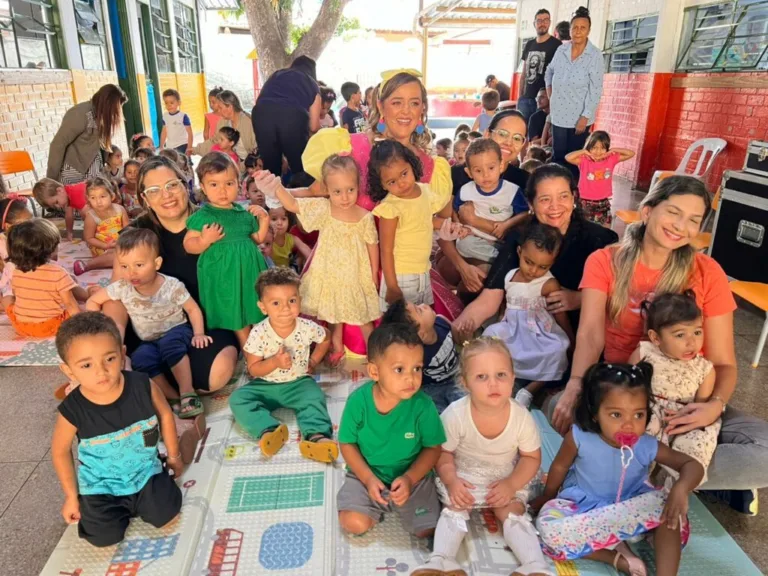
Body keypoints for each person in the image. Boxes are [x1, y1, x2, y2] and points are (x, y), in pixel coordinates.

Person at [550, 175, 768, 514]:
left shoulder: (707, 272)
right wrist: (575, 385)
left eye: (694, 220)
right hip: (627, 396)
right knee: (559, 414)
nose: (681, 227)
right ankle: (687, 473)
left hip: (689, 397)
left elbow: (724, 362)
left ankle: (661, 471)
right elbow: (591, 335)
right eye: (674, 213)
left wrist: (714, 406)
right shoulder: (605, 261)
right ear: (648, 210)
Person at [533, 363, 704, 576]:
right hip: (585, 511)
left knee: (669, 510)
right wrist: (547, 496)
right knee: (547, 528)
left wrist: (681, 488)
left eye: (638, 415)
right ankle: (618, 558)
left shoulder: (646, 444)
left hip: (631, 510)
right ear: (595, 413)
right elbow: (560, 466)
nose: (629, 425)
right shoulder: (579, 438)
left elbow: (692, 465)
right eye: (616, 415)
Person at [413, 337, 551, 576]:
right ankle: (442, 560)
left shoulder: (521, 417)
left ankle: (534, 565)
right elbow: (443, 454)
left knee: (511, 513)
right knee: (455, 506)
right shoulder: (456, 415)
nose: (493, 384)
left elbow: (530, 458)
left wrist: (511, 484)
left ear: (512, 378)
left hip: (506, 476)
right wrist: (452, 481)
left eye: (501, 375)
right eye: (481, 377)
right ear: (465, 383)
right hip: (465, 474)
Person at [50, 313, 183, 547]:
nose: (101, 371)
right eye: (86, 365)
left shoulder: (143, 385)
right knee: (103, 538)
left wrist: (173, 456)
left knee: (167, 513)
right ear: (69, 371)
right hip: (101, 486)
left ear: (122, 355)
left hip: (145, 473)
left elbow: (165, 415)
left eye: (109, 359)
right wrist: (72, 496)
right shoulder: (72, 410)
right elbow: (60, 451)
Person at [453, 164, 617, 344]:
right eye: (545, 199)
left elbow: (623, 294)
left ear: (574, 197)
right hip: (528, 334)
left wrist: (581, 299)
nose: (555, 207)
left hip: (585, 330)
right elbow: (490, 298)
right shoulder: (520, 238)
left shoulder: (599, 240)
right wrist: (458, 329)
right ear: (531, 203)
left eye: (563, 196)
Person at [115, 156, 239, 394]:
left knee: (215, 375)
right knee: (129, 365)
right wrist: (115, 341)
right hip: (149, 327)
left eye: (172, 185)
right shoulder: (136, 234)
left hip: (206, 323)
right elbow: (116, 294)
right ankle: (165, 390)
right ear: (145, 199)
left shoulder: (213, 223)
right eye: (154, 190)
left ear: (186, 184)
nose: (167, 195)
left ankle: (164, 390)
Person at [254, 154, 380, 363]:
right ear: (327, 190)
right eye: (337, 191)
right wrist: (276, 188)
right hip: (329, 272)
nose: (345, 197)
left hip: (355, 275)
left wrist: (374, 273)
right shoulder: (324, 208)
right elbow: (294, 205)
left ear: (358, 185)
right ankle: (337, 346)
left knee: (362, 317)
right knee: (333, 314)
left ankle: (375, 355)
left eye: (350, 189)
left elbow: (372, 244)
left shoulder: (364, 216)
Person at [87, 228, 212, 419]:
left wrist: (198, 333)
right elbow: (93, 301)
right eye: (124, 266)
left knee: (171, 346)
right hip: (149, 339)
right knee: (140, 359)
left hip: (176, 329)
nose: (131, 273)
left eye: (138, 265)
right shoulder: (122, 287)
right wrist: (96, 328)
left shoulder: (171, 286)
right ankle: (171, 398)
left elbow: (192, 309)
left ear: (157, 263)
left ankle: (187, 392)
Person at [337, 323, 446, 537]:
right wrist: (367, 478)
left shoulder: (423, 405)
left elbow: (433, 448)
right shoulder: (358, 402)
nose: (411, 378)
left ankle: (405, 500)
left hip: (413, 476)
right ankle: (374, 501)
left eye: (417, 368)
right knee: (353, 523)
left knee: (428, 529)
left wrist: (410, 478)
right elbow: (347, 443)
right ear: (374, 371)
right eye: (399, 369)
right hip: (366, 473)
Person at [229, 267, 336, 461]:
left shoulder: (307, 327)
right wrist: (274, 362)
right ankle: (268, 430)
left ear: (299, 301)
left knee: (314, 398)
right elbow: (254, 369)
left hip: (299, 383)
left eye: (292, 301)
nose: (285, 308)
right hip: (265, 385)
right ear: (263, 307)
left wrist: (313, 360)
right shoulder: (258, 333)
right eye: (276, 303)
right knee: (238, 399)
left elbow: (326, 338)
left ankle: (317, 437)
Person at [630, 292, 719, 486]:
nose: (691, 342)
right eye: (680, 335)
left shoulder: (704, 369)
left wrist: (683, 422)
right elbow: (629, 388)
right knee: (636, 433)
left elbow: (700, 408)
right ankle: (633, 478)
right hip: (648, 408)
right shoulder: (644, 353)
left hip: (682, 417)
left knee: (696, 442)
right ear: (655, 337)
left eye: (697, 332)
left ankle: (678, 484)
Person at [438, 110, 531, 294]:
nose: (509, 142)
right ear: (487, 133)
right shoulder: (457, 176)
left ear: (523, 145)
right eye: (503, 134)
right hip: (459, 249)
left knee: (481, 280)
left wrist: (473, 220)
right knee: (453, 270)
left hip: (498, 253)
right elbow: (442, 228)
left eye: (517, 138)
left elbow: (519, 235)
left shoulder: (523, 182)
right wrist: (463, 267)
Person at [183, 152, 270, 347]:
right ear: (203, 187)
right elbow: (188, 244)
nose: (222, 191)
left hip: (249, 271)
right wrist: (204, 240)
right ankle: (249, 353)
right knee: (233, 311)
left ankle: (259, 347)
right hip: (223, 274)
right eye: (214, 184)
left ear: (238, 184)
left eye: (228, 184)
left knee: (253, 306)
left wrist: (264, 219)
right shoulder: (204, 215)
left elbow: (257, 238)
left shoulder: (243, 212)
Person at [483, 222, 572, 409]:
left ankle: (530, 389)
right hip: (513, 327)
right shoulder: (509, 276)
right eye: (529, 262)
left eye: (542, 266)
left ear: (552, 263)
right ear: (519, 252)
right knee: (491, 337)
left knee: (557, 349)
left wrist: (571, 339)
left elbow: (559, 313)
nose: (533, 271)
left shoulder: (549, 284)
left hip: (538, 332)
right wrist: (502, 320)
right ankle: (503, 377)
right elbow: (507, 303)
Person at [369, 140, 450, 310]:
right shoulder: (391, 207)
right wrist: (392, 286)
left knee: (422, 324)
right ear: (382, 184)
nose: (401, 183)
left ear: (412, 165)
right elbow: (386, 250)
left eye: (404, 174)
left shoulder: (425, 191)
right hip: (400, 277)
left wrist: (449, 225)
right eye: (391, 182)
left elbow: (424, 220)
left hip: (423, 271)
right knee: (401, 329)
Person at [545, 7, 604, 180]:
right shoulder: (561, 50)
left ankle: (573, 196)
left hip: (579, 118)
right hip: (558, 114)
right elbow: (549, 71)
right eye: (575, 27)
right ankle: (558, 190)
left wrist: (585, 117)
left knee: (575, 158)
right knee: (558, 157)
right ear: (570, 30)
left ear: (588, 31)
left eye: (582, 28)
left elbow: (596, 89)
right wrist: (550, 95)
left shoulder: (594, 55)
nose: (578, 31)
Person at [381, 299, 463, 413]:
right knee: (434, 413)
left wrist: (464, 335)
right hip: (431, 387)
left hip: (457, 376)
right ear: (421, 334)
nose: (424, 305)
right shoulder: (416, 354)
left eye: (418, 305)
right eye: (419, 310)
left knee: (466, 405)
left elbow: (459, 340)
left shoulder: (441, 321)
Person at [455, 139, 526, 267]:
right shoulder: (466, 190)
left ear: (502, 166)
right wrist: (460, 226)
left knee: (519, 244)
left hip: (503, 241)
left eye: (491, 168)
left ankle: (504, 258)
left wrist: (507, 224)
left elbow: (526, 214)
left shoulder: (512, 190)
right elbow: (454, 210)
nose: (485, 175)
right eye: (478, 171)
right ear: (469, 173)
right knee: (462, 245)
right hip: (475, 238)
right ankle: (504, 260)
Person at [5, 219, 82, 337]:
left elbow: (18, 295)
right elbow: (71, 305)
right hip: (51, 326)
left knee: (7, 298)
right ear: (50, 249)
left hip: (22, 326)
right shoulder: (58, 273)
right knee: (86, 308)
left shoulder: (16, 271)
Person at [252, 56, 322, 176]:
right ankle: (300, 190)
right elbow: (314, 126)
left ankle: (272, 194)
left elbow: (262, 99)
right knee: (300, 165)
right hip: (292, 116)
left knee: (271, 168)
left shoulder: (277, 74)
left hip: (261, 114)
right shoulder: (311, 83)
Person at [47, 84, 127, 187]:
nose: (116, 112)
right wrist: (51, 180)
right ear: (107, 103)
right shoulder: (81, 113)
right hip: (73, 173)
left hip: (94, 171)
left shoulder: (103, 116)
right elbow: (58, 144)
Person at [565, 130, 635, 226]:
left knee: (606, 228)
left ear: (607, 149)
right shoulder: (584, 160)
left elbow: (631, 153)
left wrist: (614, 150)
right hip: (585, 201)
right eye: (594, 148)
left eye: (602, 148)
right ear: (589, 148)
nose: (598, 151)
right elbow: (568, 157)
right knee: (585, 228)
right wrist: (584, 152)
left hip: (603, 201)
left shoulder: (611, 159)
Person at [74, 177, 129, 275]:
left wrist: (123, 241)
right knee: (118, 255)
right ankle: (87, 265)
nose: (98, 201)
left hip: (121, 243)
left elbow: (127, 230)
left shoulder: (120, 209)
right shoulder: (91, 217)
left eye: (102, 196)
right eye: (93, 198)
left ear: (111, 196)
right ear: (88, 199)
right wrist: (106, 245)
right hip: (103, 248)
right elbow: (89, 238)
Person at [518, 9, 562, 122]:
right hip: (526, 98)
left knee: (537, 135)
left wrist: (552, 101)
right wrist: (520, 97)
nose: (542, 23)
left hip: (544, 100)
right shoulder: (529, 44)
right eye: (539, 20)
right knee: (521, 132)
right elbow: (524, 73)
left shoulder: (557, 45)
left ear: (549, 22)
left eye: (545, 20)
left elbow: (559, 75)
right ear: (534, 23)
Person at [193, 91, 256, 163]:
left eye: (220, 108)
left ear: (230, 107)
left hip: (250, 164)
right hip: (235, 163)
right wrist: (195, 150)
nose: (218, 111)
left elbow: (256, 150)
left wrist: (243, 167)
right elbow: (214, 140)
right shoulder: (223, 121)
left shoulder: (248, 122)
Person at [0, 197, 33, 310]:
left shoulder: (28, 237)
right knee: (8, 300)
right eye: (27, 223)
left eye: (32, 220)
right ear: (8, 226)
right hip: (12, 281)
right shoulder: (3, 243)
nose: (32, 225)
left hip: (28, 277)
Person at [32, 177, 87, 242]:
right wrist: (69, 232)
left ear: (60, 190)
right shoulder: (67, 193)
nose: (58, 207)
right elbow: (69, 216)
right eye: (54, 206)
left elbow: (88, 217)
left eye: (56, 202)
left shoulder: (77, 193)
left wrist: (87, 235)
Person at [268, 203, 310, 270]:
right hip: (269, 272)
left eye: (283, 219)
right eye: (274, 219)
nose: (279, 223)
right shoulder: (265, 239)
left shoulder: (291, 238)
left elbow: (308, 253)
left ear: (289, 221)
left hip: (287, 273)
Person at [160, 89, 193, 157]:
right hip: (170, 147)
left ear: (179, 103)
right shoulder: (165, 116)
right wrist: (161, 146)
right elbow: (164, 132)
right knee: (172, 165)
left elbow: (190, 133)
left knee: (185, 164)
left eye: (171, 103)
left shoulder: (183, 116)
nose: (169, 105)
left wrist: (189, 147)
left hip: (182, 145)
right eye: (166, 103)